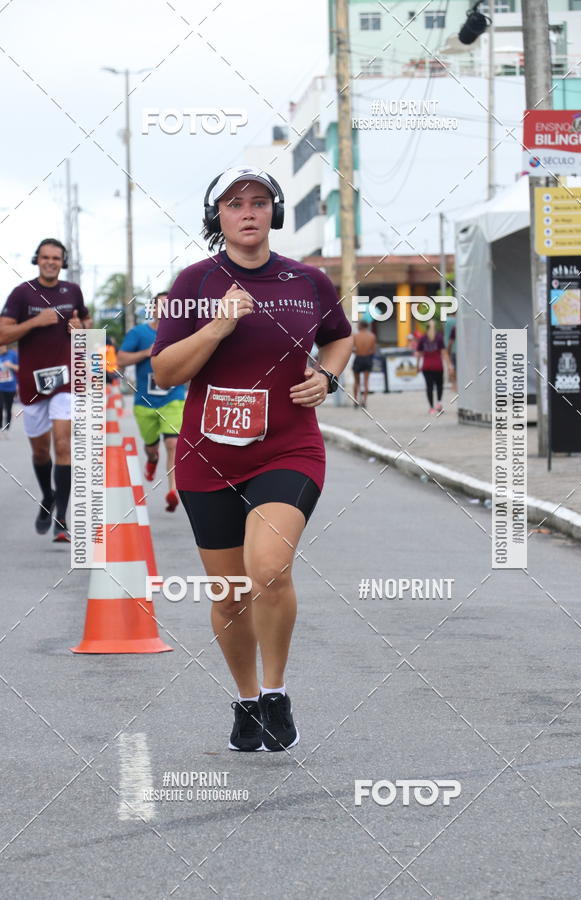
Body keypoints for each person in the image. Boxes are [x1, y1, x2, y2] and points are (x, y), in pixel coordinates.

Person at [151, 166, 353, 752]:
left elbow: (340, 336)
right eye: (235, 203)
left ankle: (275, 692)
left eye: (260, 202)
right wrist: (217, 327)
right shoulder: (193, 283)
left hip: (289, 447)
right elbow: (165, 371)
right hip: (207, 457)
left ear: (275, 213)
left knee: (268, 568)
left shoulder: (307, 281)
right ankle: (243, 701)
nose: (248, 211)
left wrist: (327, 375)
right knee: (231, 592)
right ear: (218, 216)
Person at [0, 239, 90, 541]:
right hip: (31, 383)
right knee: (40, 451)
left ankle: (62, 518)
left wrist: (81, 328)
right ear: (37, 259)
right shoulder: (22, 293)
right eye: (45, 257)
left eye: (56, 257)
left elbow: (87, 325)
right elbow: (2, 334)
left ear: (62, 261)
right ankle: (48, 496)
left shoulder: (72, 291)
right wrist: (35, 322)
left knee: (63, 444)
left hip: (65, 380)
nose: (51, 261)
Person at [117, 292, 184, 513]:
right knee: (152, 447)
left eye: (170, 307)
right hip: (144, 402)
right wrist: (147, 352)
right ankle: (152, 459)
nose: (165, 311)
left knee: (173, 444)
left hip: (172, 399)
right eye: (161, 307)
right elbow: (120, 359)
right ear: (153, 309)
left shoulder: (183, 334)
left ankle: (172, 490)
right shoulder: (139, 333)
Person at [415, 320, 453, 414]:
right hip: (438, 366)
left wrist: (417, 365)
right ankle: (439, 404)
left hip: (426, 366)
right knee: (439, 385)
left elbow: (419, 354)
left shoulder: (423, 339)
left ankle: (431, 408)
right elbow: (444, 353)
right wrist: (449, 366)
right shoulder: (439, 338)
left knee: (429, 387)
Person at [352, 320, 377, 408]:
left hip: (358, 358)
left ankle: (355, 401)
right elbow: (373, 350)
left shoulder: (355, 336)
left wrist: (357, 350)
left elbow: (352, 348)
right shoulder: (372, 336)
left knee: (356, 382)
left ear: (361, 326)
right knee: (366, 382)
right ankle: (365, 401)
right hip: (367, 359)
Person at [0, 344, 18, 437]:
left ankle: (6, 428)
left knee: (8, 409)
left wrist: (10, 365)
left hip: (10, 387)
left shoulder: (12, 355)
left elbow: (19, 368)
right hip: (0, 387)